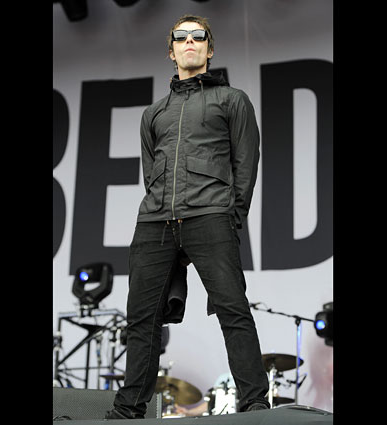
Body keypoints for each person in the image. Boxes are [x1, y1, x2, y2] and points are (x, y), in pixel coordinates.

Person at [105, 14, 269, 420]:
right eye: (181, 37)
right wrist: (162, 209)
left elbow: (245, 166)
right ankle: (128, 409)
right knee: (141, 318)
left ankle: (255, 404)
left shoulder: (232, 100)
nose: (190, 41)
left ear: (210, 49)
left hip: (211, 215)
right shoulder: (153, 113)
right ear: (172, 51)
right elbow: (150, 172)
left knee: (232, 308)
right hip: (155, 222)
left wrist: (230, 220)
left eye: (199, 36)